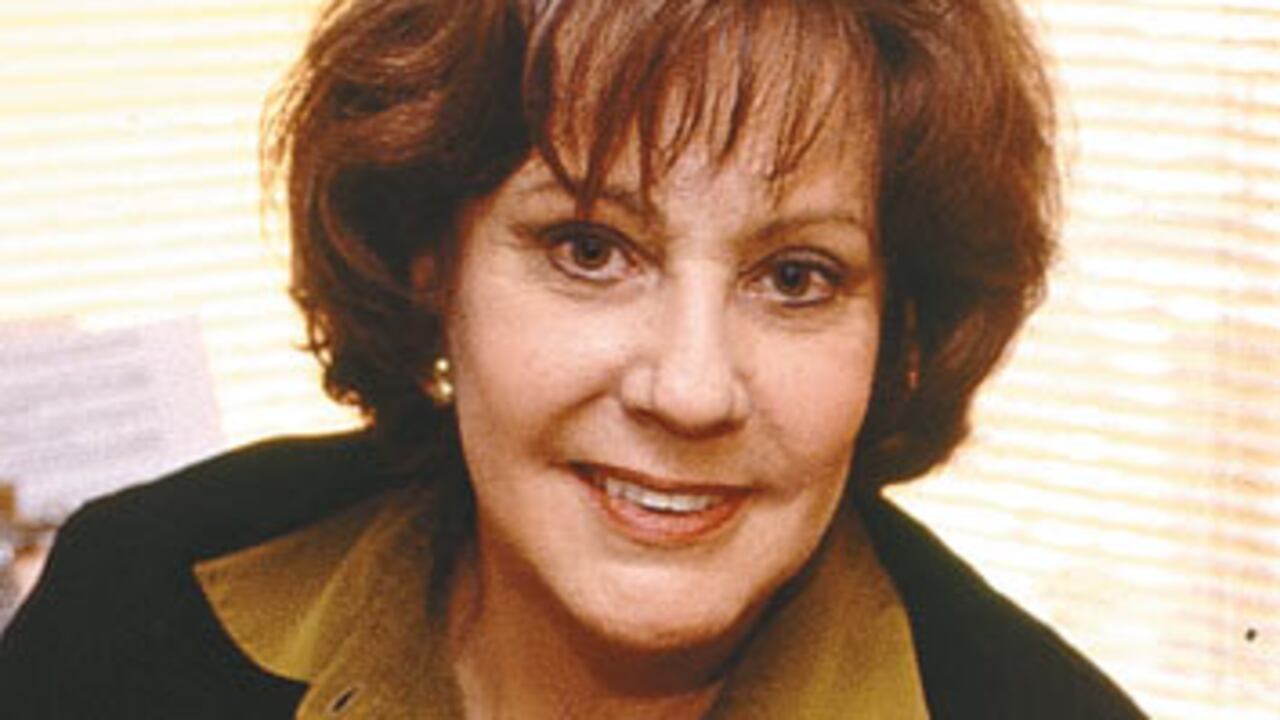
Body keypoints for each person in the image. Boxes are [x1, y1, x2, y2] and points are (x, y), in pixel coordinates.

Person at [0, 0, 1147, 717]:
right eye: (589, 249)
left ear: (896, 326)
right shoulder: (135, 600)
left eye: (795, 276)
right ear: (428, 258)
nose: (688, 388)